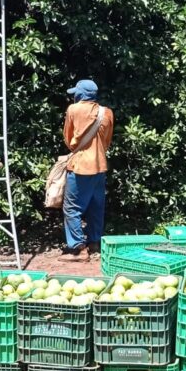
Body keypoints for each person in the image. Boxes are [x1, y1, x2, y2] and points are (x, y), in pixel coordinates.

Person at [60, 79, 114, 261]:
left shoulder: (73, 110)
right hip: (100, 166)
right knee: (96, 207)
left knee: (72, 207)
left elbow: (68, 138)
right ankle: (94, 244)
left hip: (81, 166)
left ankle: (78, 249)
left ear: (81, 94)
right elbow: (107, 141)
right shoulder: (106, 112)